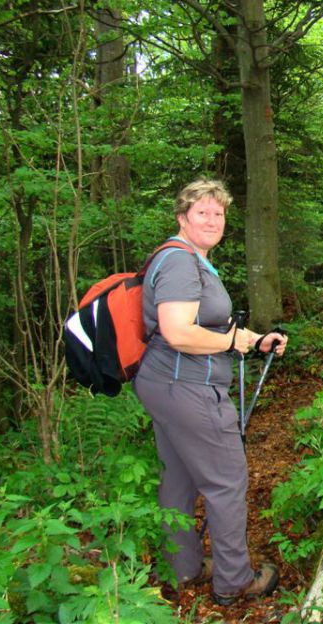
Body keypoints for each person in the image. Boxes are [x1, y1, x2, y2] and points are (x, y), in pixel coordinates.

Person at [134, 178, 288, 606]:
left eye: (218, 213)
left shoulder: (187, 260)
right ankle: (234, 581)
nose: (213, 220)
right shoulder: (182, 263)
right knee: (227, 481)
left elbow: (215, 325)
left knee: (179, 480)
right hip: (188, 388)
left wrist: (255, 339)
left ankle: (182, 566)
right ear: (183, 217)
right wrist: (230, 343)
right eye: (202, 212)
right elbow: (179, 332)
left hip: (165, 385)